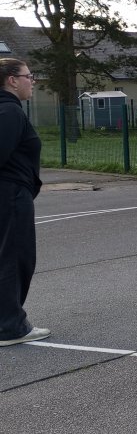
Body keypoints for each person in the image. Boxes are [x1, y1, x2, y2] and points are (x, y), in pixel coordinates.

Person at [0, 58, 50, 347]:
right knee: (15, 258)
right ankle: (10, 327)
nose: (32, 81)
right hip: (10, 195)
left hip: (10, 193)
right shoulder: (9, 111)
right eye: (28, 76)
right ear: (12, 80)